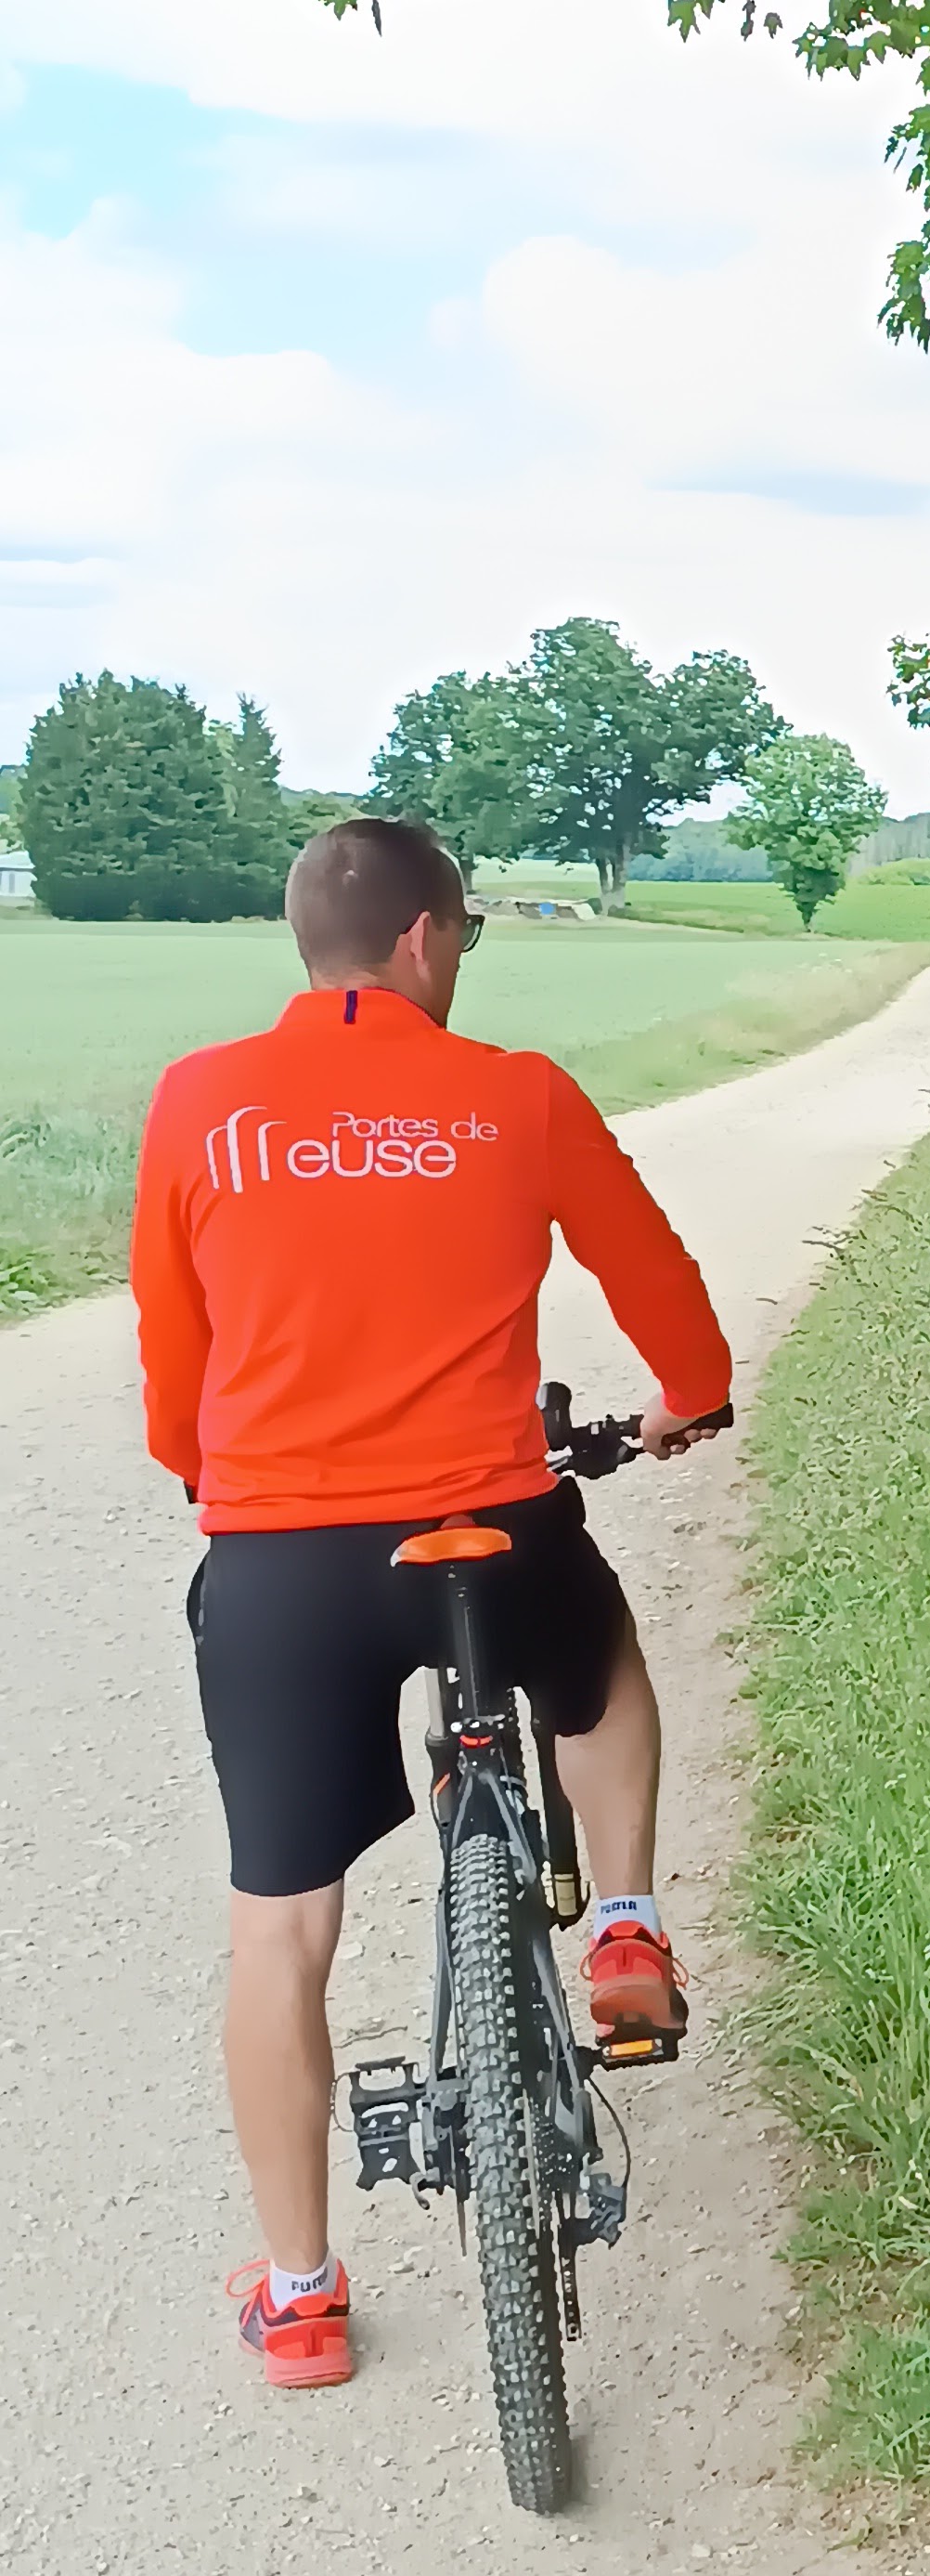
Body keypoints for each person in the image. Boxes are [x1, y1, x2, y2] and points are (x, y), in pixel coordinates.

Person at [130, 815, 734, 2390]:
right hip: (491, 1530)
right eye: (462, 933)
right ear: (420, 940)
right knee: (598, 1666)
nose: (462, 960)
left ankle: (304, 2293)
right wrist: (689, 1394)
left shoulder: (199, 1105)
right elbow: (649, 1271)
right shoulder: (515, 1094)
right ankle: (620, 1924)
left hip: (282, 1565)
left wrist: (218, 1475)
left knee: (281, 1931)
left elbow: (172, 1363)